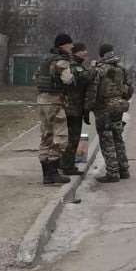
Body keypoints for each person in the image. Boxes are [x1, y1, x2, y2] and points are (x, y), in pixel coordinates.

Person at [86, 43, 133, 183]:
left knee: (107, 140)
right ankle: (124, 170)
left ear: (101, 54)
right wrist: (121, 99)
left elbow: (93, 91)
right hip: (118, 107)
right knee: (118, 137)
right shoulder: (122, 68)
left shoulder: (99, 70)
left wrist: (87, 108)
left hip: (103, 109)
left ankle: (112, 172)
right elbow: (129, 88)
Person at [35, 33, 73, 185]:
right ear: (63, 45)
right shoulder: (62, 61)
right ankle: (53, 171)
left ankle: (46, 174)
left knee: (46, 137)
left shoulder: (45, 60)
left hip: (42, 101)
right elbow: (67, 80)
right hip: (55, 102)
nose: (72, 47)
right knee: (61, 137)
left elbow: (36, 77)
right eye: (70, 44)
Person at [58, 42, 94, 176]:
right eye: (81, 50)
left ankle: (67, 163)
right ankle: (67, 166)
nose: (85, 52)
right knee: (72, 137)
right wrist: (93, 69)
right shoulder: (73, 66)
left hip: (75, 107)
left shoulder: (78, 65)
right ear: (75, 52)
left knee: (74, 137)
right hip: (72, 107)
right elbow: (84, 78)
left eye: (85, 50)